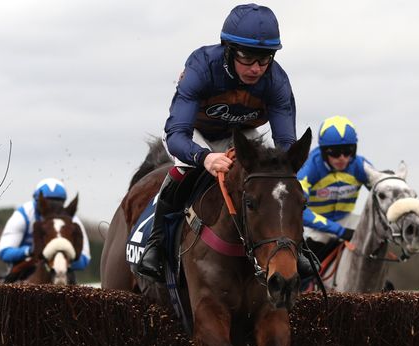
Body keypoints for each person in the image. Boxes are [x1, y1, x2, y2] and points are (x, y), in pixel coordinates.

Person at [137, 3, 297, 281]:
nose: (256, 68)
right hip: (195, 134)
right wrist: (205, 157)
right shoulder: (201, 67)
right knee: (184, 171)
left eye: (264, 59)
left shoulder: (277, 80)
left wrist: (279, 173)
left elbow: (286, 143)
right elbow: (176, 135)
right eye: (248, 58)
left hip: (241, 136)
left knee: (275, 184)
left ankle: (297, 249)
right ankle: (156, 244)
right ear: (229, 49)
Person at [297, 115, 375, 262]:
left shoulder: (360, 165)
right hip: (316, 226)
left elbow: (382, 193)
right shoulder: (309, 168)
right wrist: (338, 231)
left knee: (376, 235)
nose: (342, 158)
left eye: (348, 151)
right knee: (305, 265)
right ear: (324, 152)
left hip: (347, 220)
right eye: (335, 152)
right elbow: (299, 210)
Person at [0, 178, 91, 282]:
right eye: (47, 203)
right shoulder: (23, 215)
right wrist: (30, 251)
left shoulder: (73, 221)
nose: (52, 208)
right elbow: (4, 252)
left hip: (61, 270)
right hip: (25, 268)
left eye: (57, 203)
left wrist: (61, 257)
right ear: (37, 201)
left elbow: (84, 259)